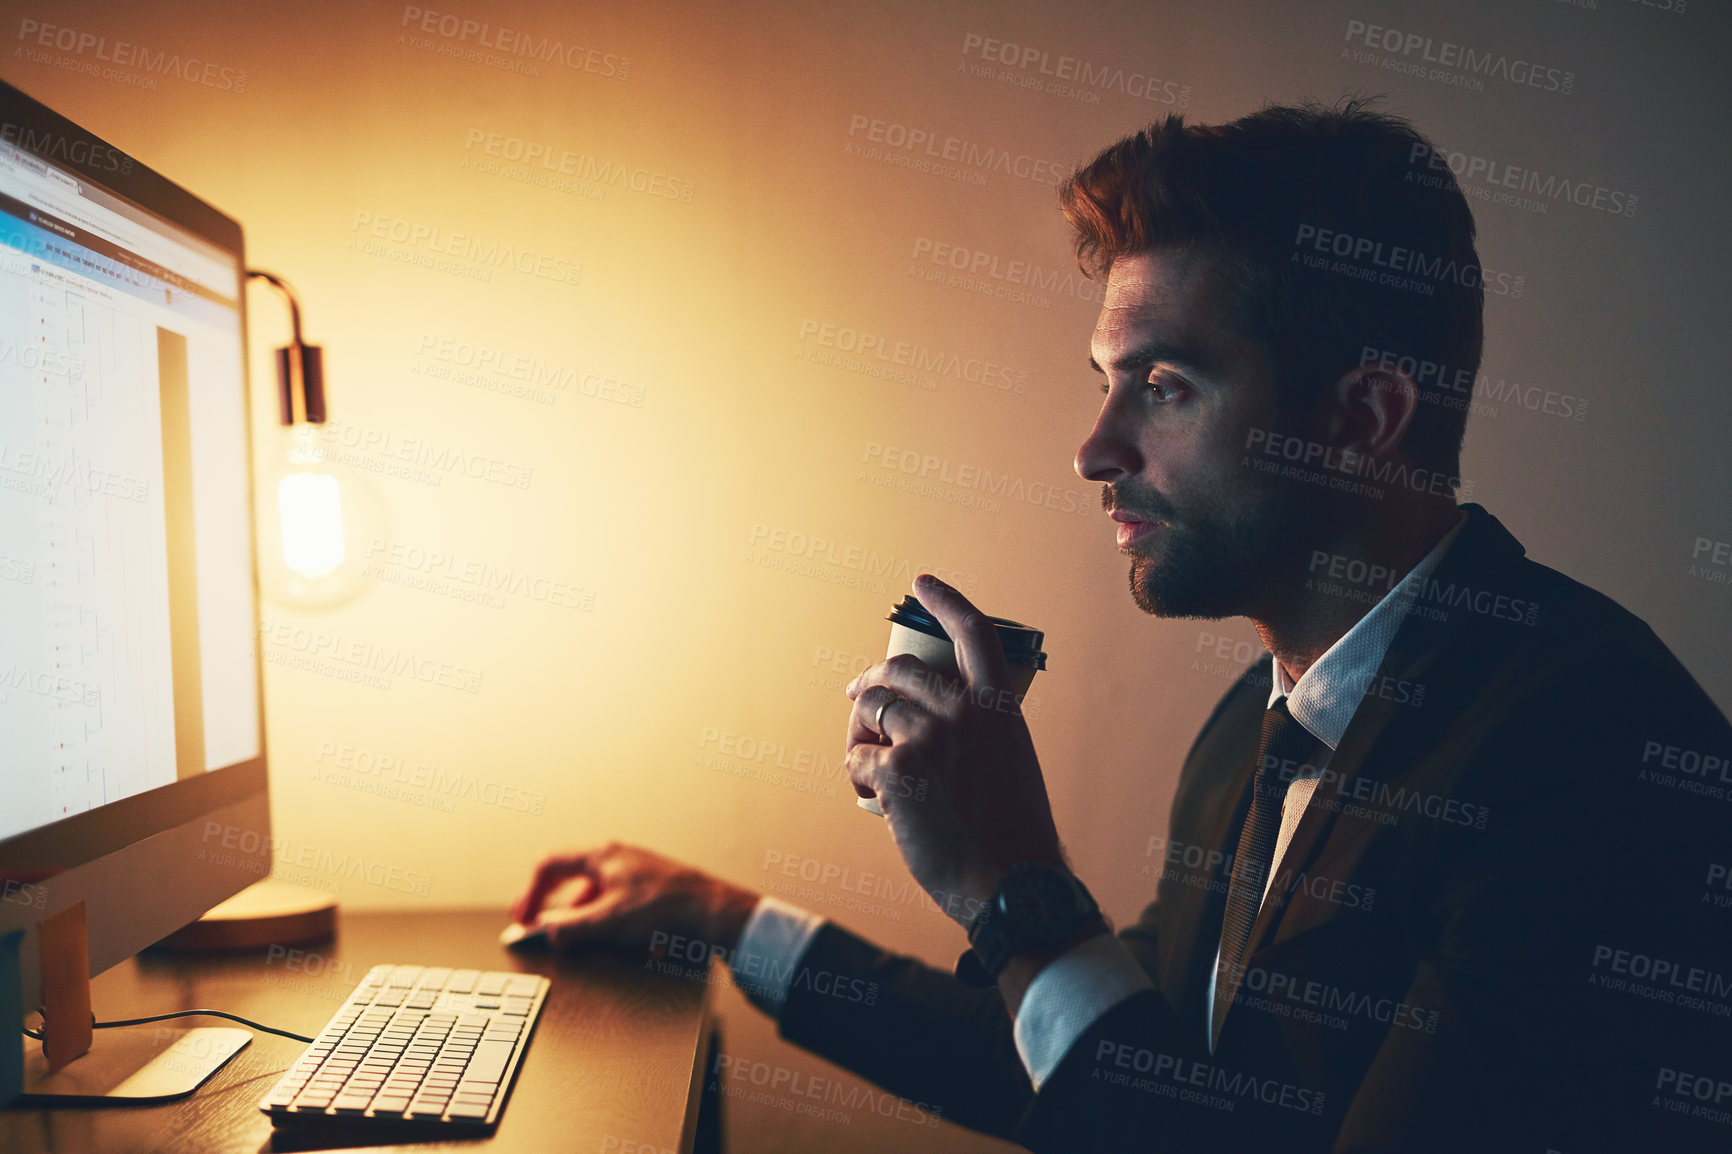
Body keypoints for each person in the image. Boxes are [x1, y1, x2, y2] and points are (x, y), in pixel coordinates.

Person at [510, 100, 1732, 1152]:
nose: (1093, 449)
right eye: (1105, 382)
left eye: (1162, 387)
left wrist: (1017, 884)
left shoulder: (1591, 752)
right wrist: (728, 918)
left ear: (1362, 418)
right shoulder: (1257, 723)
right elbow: (1102, 1066)